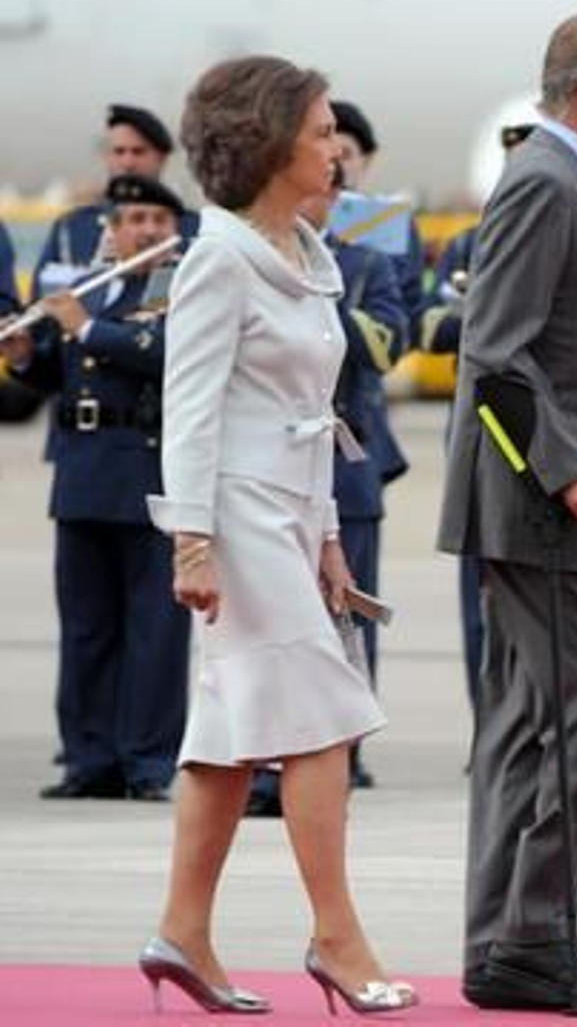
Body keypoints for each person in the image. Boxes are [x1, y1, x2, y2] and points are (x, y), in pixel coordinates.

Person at [139, 55, 415, 1015]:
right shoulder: (219, 258)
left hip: (291, 515)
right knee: (323, 719)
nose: (335, 147)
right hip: (238, 519)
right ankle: (336, 935)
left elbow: (307, 412)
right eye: (320, 130)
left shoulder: (300, 254)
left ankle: (182, 930)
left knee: (227, 737)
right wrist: (191, 541)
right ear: (268, 142)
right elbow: (189, 410)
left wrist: (328, 535)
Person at [437, 12, 577, 1013]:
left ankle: (504, 946)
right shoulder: (545, 182)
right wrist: (566, 468)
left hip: (563, 509)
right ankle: (532, 930)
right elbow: (494, 351)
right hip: (544, 508)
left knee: (530, 723)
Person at [2, 174, 190, 802]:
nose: (146, 231)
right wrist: (26, 354)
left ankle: (147, 762)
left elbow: (163, 351)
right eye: (134, 220)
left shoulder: (178, 286)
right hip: (83, 475)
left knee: (154, 631)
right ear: (113, 230)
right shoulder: (91, 285)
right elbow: (58, 375)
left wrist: (84, 328)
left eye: (158, 221)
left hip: (148, 473)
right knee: (86, 628)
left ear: (174, 231)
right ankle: (89, 759)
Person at [243, 165, 407, 817]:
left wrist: (319, 296)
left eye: (323, 190)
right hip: (273, 463)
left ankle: (340, 756)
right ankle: (265, 769)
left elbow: (387, 346)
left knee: (341, 623)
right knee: (271, 624)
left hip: (344, 465)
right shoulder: (251, 260)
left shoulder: (365, 262)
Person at [415, 122, 534, 713]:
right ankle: (489, 724)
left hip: (540, 435)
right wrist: (500, 318)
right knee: (479, 592)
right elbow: (431, 327)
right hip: (481, 432)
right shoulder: (469, 245)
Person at [32, 105, 199, 298]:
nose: (128, 163)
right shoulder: (71, 228)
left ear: (162, 159)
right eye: (119, 152)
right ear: (106, 157)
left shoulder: (193, 229)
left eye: (138, 152)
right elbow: (40, 302)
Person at [327, 99, 428, 330]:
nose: (336, 167)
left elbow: (409, 304)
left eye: (345, 155)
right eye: (330, 155)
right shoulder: (295, 217)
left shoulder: (393, 222)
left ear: (368, 159)